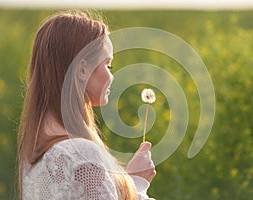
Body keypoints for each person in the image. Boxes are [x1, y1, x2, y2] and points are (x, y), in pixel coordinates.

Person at [17, 11, 156, 200]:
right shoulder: (81, 154)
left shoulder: (36, 155)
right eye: (108, 65)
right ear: (82, 70)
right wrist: (137, 185)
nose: (111, 75)